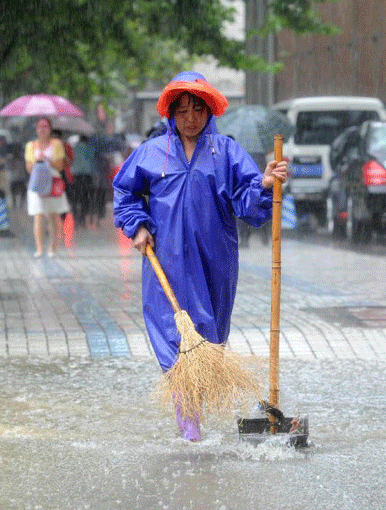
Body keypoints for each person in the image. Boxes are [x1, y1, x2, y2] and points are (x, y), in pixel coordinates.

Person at [112, 72, 288, 441]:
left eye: (197, 110)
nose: (190, 118)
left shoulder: (226, 152)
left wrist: (265, 183)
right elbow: (125, 193)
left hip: (215, 260)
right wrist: (137, 225)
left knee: (208, 339)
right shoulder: (151, 153)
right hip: (166, 261)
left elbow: (247, 202)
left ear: (209, 111)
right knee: (172, 338)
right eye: (182, 111)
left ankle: (194, 415)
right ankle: (189, 428)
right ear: (171, 115)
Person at [25, 116, 70, 257]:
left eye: (45, 126)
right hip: (38, 183)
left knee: (52, 215)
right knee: (38, 216)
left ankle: (52, 247)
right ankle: (39, 248)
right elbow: (28, 168)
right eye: (39, 126)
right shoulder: (30, 146)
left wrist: (48, 160)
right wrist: (37, 161)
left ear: (50, 129)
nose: (42, 129)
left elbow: (60, 165)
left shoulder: (56, 144)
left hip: (53, 183)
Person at [70, 134, 96, 227]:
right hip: (87, 176)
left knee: (76, 198)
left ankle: (76, 219)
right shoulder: (90, 148)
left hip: (76, 175)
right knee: (85, 198)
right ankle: (83, 219)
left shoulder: (74, 148)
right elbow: (91, 160)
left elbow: (71, 159)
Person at [51, 129, 74, 222]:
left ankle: (62, 218)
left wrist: (63, 154)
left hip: (63, 175)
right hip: (51, 175)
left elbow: (70, 162)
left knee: (63, 196)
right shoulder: (49, 147)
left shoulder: (66, 147)